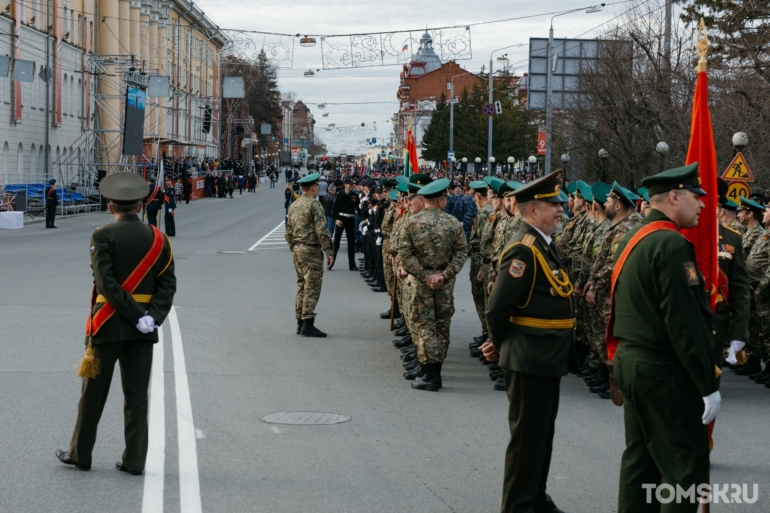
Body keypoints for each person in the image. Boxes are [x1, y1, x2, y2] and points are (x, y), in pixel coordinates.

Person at [607, 163, 720, 512]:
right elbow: (684, 324)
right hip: (662, 368)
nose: (703, 205)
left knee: (640, 462)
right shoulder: (671, 245)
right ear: (674, 196)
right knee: (683, 467)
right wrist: (707, 383)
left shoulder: (632, 238)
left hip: (632, 360)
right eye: (696, 197)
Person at [56, 172, 176, 475]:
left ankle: (80, 454)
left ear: (112, 207)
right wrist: (150, 318)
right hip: (142, 331)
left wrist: (134, 315)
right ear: (139, 206)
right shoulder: (159, 239)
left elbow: (106, 284)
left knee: (92, 395)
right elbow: (167, 286)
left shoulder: (102, 235)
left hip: (107, 325)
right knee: (137, 398)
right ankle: (135, 461)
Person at [481, 170, 575, 513]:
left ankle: (536, 497)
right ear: (533, 210)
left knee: (541, 437)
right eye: (554, 204)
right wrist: (500, 342)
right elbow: (498, 307)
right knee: (526, 440)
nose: (561, 209)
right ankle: (518, 506)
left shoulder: (543, 246)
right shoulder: (524, 249)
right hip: (529, 356)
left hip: (546, 355)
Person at [397, 178, 468, 390]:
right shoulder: (453, 223)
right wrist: (445, 275)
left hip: (422, 283)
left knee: (425, 326)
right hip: (445, 283)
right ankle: (436, 372)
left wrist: (423, 275)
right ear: (441, 200)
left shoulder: (411, 223)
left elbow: (405, 255)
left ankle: (430, 375)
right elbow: (462, 252)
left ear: (425, 200)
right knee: (442, 326)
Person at [285, 172, 334, 337]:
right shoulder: (314, 205)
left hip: (298, 249)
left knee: (301, 285)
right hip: (311, 250)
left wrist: (294, 246)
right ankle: (308, 324)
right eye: (317, 187)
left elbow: (288, 231)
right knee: (312, 287)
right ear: (313, 187)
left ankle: (299, 321)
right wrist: (329, 250)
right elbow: (322, 229)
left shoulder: (294, 205)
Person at [330, 178, 359, 270]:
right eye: (349, 184)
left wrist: (364, 216)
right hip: (341, 219)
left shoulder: (354, 195)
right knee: (336, 242)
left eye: (352, 184)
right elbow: (334, 209)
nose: (351, 185)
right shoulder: (339, 195)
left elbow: (358, 208)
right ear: (345, 185)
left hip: (350, 219)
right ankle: (331, 262)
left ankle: (352, 264)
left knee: (351, 243)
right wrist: (335, 220)